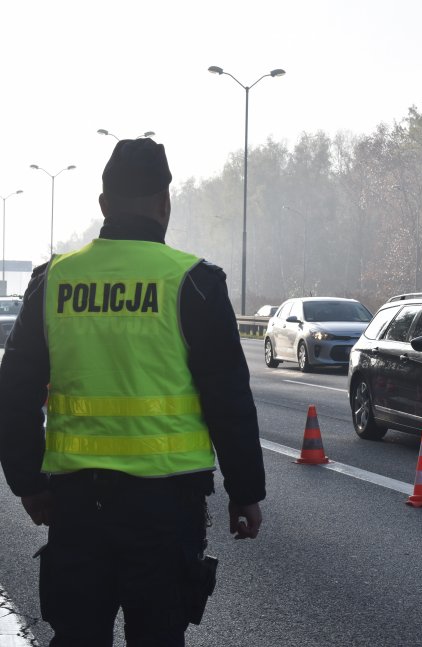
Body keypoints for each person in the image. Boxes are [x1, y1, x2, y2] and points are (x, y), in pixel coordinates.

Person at [0, 138, 266, 645]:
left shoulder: (53, 280)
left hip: (76, 507)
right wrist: (245, 491)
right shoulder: (195, 283)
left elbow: (13, 391)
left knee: (77, 636)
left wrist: (28, 483)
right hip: (166, 511)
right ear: (166, 203)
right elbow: (228, 398)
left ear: (103, 205)